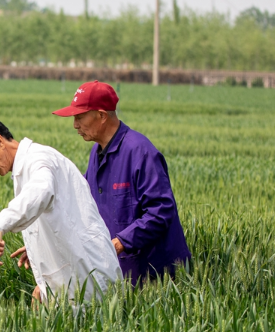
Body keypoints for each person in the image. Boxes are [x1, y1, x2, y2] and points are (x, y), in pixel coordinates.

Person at [0, 116, 122, 304]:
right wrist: (38, 248)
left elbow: (41, 192)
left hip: (89, 275)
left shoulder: (39, 159)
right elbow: (56, 215)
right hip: (74, 277)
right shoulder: (25, 167)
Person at [52, 80, 191, 284]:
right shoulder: (97, 152)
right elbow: (81, 196)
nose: (75, 124)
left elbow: (161, 211)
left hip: (156, 275)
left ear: (101, 115)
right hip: (122, 270)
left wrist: (120, 243)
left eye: (80, 117)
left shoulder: (140, 152)